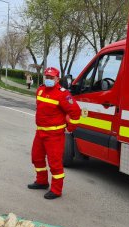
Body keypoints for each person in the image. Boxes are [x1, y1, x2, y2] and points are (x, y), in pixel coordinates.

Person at [28, 67, 81, 199]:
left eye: (52, 77)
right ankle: (42, 181)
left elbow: (75, 111)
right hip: (40, 132)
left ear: (57, 79)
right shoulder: (40, 90)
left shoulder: (63, 94)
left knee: (55, 163)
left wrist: (71, 127)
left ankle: (56, 190)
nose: (49, 79)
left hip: (54, 135)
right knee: (36, 158)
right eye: (47, 77)